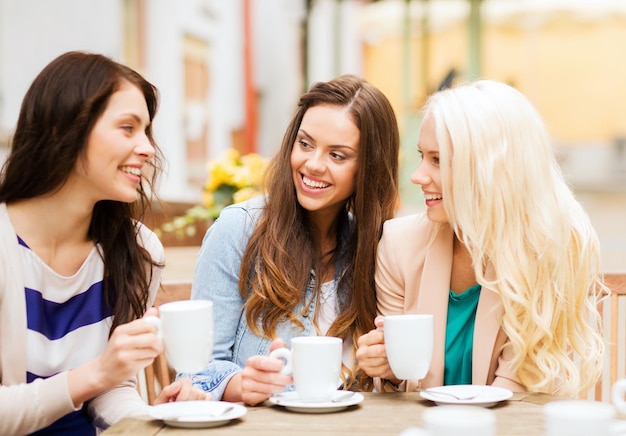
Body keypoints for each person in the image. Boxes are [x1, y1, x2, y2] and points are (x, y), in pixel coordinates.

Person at [0, 51, 209, 435]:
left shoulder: (139, 251)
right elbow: (98, 377)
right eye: (127, 128)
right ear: (62, 129)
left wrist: (150, 420)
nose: (147, 148)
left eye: (146, 130)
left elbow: (111, 388)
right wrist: (96, 372)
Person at [356, 79, 606, 398]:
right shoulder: (399, 243)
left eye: (438, 160)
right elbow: (402, 384)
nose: (417, 176)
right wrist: (388, 367)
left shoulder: (553, 248)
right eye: (422, 156)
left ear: (489, 168)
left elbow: (518, 389)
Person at [187, 74, 400, 406]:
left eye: (338, 155)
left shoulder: (376, 246)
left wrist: (390, 366)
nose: (312, 164)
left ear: (368, 168)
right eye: (305, 143)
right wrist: (241, 385)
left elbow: (393, 381)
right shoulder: (238, 229)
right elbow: (193, 371)